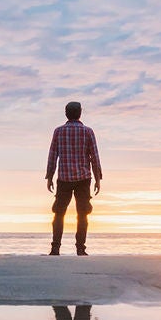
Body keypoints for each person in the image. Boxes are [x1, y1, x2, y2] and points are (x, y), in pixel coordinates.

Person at [44, 100, 102, 256]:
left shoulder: (58, 131)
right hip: (83, 178)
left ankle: (55, 248)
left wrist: (49, 176)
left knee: (59, 213)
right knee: (83, 213)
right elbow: (95, 157)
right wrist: (98, 178)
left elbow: (52, 155)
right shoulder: (88, 132)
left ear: (66, 113)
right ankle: (80, 248)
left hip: (64, 177)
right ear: (80, 113)